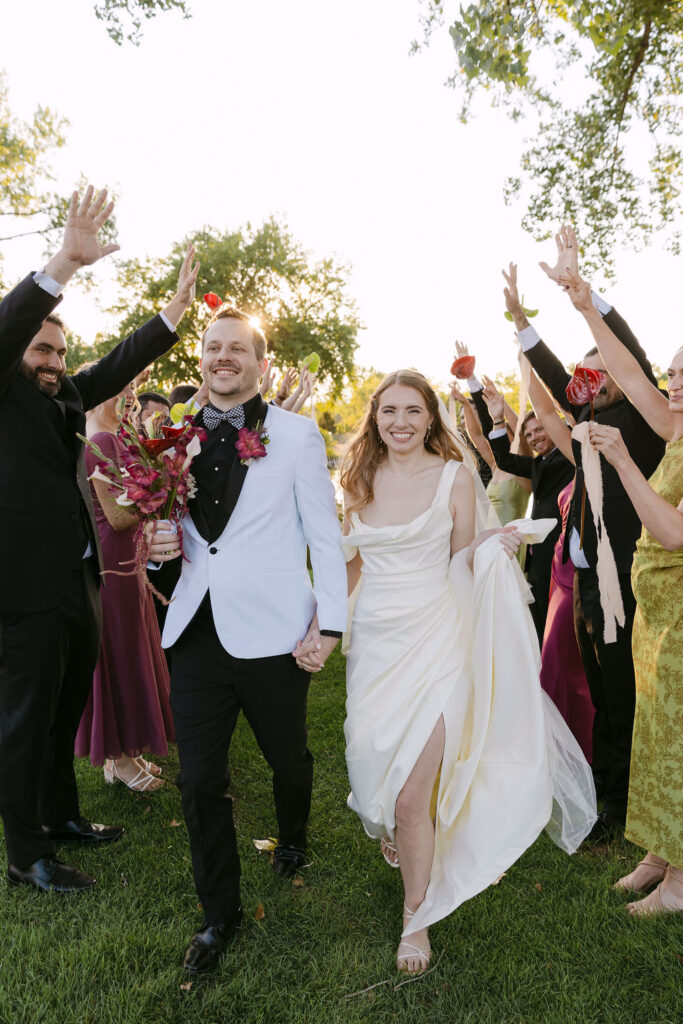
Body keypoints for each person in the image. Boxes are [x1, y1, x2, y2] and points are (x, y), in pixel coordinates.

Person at [340, 369, 596, 975]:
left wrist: (491, 546)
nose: (400, 423)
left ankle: (416, 918)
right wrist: (322, 630)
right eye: (389, 412)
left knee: (409, 797)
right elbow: (347, 567)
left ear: (432, 418)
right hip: (375, 647)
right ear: (375, 419)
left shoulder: (455, 477)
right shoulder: (355, 480)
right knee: (375, 768)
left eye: (412, 411)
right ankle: (402, 831)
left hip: (438, 642)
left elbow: (462, 556)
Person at [0, 186, 198, 894]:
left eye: (58, 350)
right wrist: (63, 263)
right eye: (39, 348)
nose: (52, 360)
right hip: (20, 594)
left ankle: (62, 819)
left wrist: (171, 314)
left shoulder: (64, 398)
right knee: (23, 725)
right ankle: (27, 857)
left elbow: (113, 366)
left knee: (61, 715)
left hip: (76, 587)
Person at [147, 303, 347, 974]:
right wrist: (156, 553)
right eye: (212, 347)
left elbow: (325, 534)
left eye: (238, 347)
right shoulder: (173, 437)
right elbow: (176, 536)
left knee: (287, 758)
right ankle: (217, 916)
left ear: (262, 364)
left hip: (274, 631)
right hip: (196, 628)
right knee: (200, 779)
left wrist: (331, 624)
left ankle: (293, 834)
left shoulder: (295, 435)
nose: (222, 356)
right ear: (200, 359)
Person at [507, 232, 666, 840]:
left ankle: (624, 811)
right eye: (586, 373)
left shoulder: (644, 422)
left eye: (600, 370)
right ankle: (602, 795)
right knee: (601, 695)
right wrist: (523, 325)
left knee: (624, 700)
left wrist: (586, 299)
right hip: (587, 584)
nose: (591, 378)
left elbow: (626, 351)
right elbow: (553, 378)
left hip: (627, 584)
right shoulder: (588, 422)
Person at [560, 267, 682, 915]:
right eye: (674, 374)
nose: (673, 384)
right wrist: (584, 307)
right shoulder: (676, 426)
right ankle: (658, 854)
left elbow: (670, 533)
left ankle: (679, 882)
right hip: (654, 613)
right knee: (655, 734)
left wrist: (622, 461)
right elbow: (629, 374)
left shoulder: (661, 439)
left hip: (680, 615)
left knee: (672, 738)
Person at [74, 383, 174, 792]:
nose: (131, 398)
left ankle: (125, 756)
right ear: (101, 395)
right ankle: (119, 757)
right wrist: (162, 485)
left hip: (124, 559)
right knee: (119, 654)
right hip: (113, 561)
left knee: (127, 652)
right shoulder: (100, 439)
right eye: (124, 391)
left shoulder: (112, 437)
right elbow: (116, 515)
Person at [523, 363, 594, 760]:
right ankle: (551, 742)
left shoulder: (575, 454)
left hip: (584, 577)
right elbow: (546, 414)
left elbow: (549, 415)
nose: (540, 435)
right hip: (559, 570)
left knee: (572, 669)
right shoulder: (570, 451)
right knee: (553, 662)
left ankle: (581, 748)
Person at [481, 377, 574, 643]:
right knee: (539, 624)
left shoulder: (569, 458)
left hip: (563, 556)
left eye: (540, 430)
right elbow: (505, 460)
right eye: (529, 434)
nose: (534, 438)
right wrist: (498, 420)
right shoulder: (539, 465)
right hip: (538, 560)